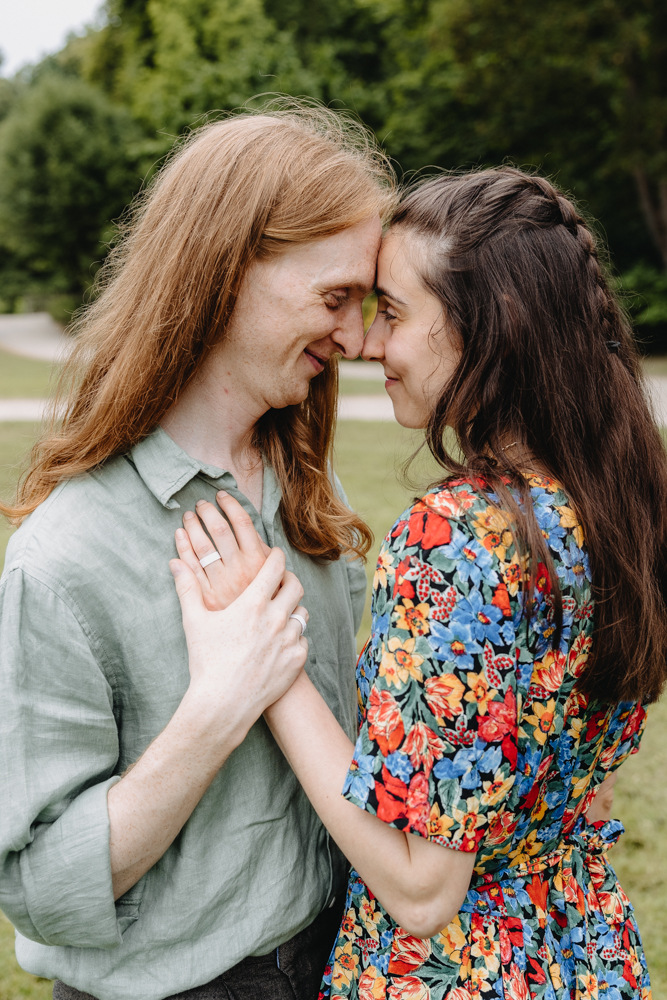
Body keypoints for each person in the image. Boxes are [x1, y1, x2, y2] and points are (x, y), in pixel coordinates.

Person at [172, 168, 666, 1000]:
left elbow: (420, 888)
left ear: (488, 328)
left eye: (394, 314)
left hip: (451, 976)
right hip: (577, 952)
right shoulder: (615, 501)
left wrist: (265, 661)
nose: (367, 345)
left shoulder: (459, 538)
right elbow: (583, 791)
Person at [0, 104, 395, 1000]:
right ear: (227, 272)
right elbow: (41, 894)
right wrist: (220, 703)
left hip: (338, 963)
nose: (354, 339)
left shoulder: (304, 498)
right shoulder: (63, 560)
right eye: (334, 298)